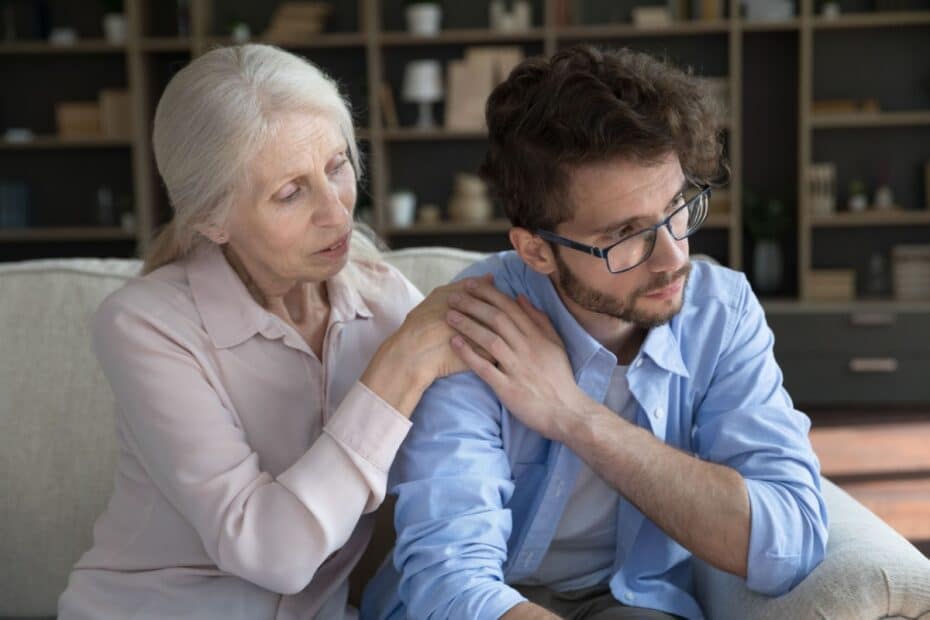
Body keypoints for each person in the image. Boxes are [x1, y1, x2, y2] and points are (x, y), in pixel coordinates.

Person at [363, 46, 828, 620]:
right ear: (536, 250)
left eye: (677, 206)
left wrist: (574, 416)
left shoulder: (719, 312)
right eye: (625, 235)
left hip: (630, 600)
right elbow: (449, 582)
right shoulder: (475, 320)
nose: (673, 257)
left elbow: (791, 543)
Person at [57, 44, 483, 620]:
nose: (336, 213)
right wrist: (395, 373)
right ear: (212, 219)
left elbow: (471, 461)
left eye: (337, 166)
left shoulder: (386, 302)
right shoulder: (143, 324)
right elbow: (272, 554)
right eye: (290, 193)